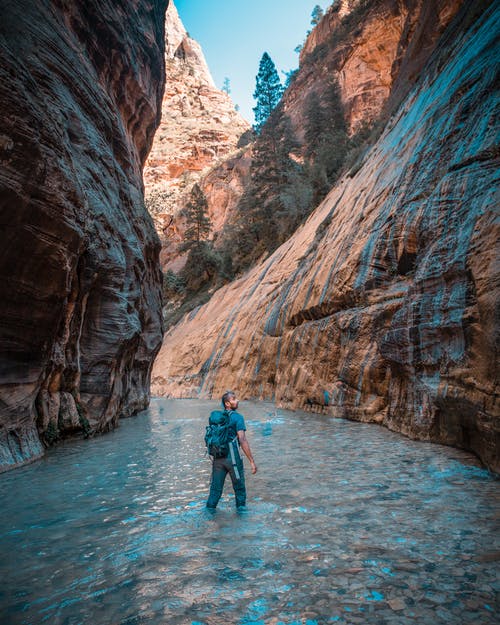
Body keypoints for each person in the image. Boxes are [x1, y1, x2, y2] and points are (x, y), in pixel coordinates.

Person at [206, 391, 257, 511]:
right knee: (239, 490)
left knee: (215, 491)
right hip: (233, 459)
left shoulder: (217, 418)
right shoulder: (238, 417)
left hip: (218, 458)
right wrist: (252, 461)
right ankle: (241, 522)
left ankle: (208, 518)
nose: (237, 400)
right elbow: (242, 439)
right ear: (227, 403)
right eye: (234, 399)